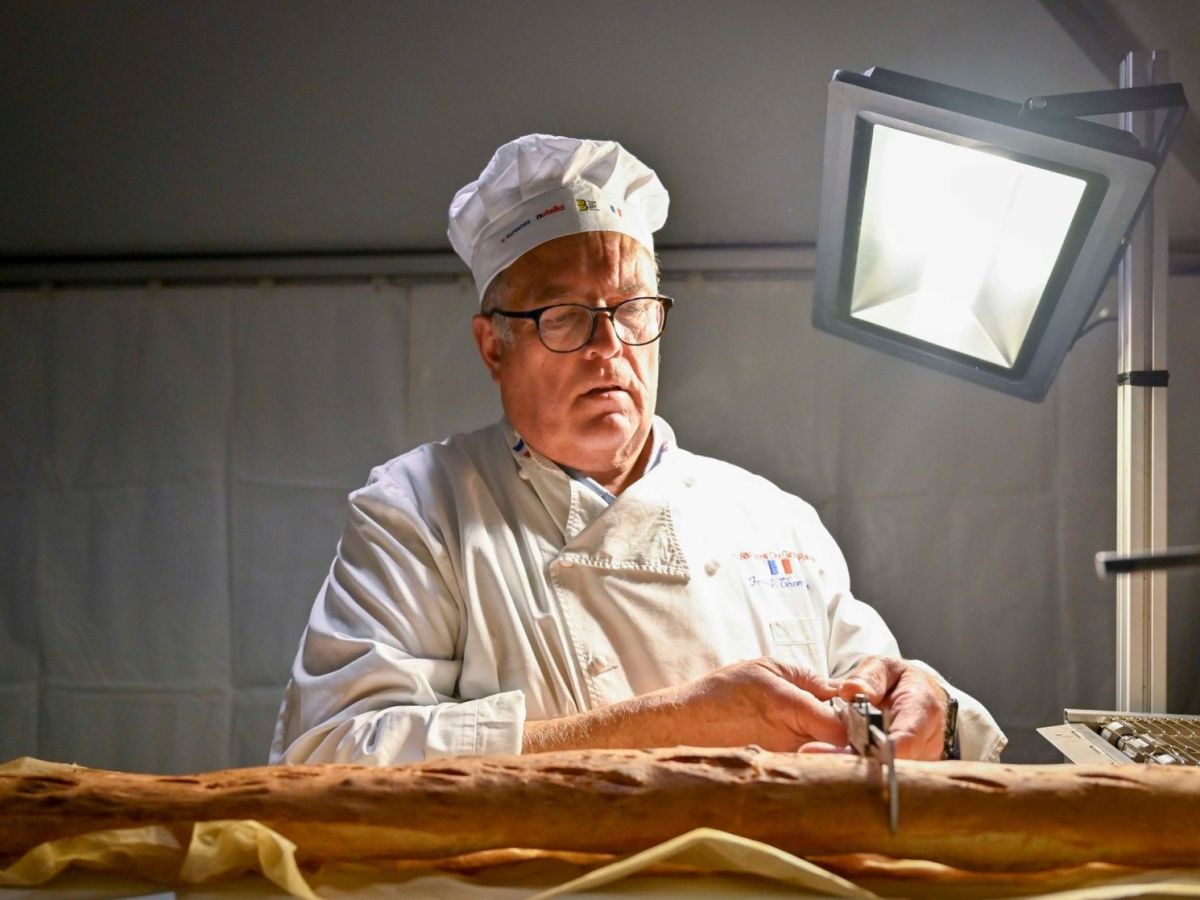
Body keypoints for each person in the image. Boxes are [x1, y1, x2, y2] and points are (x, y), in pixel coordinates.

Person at [270, 134, 1006, 766]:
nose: (609, 345)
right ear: (493, 345)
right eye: (565, 315)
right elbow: (331, 754)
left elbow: (880, 697)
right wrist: (668, 727)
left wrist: (928, 709)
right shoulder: (422, 509)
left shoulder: (772, 519)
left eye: (631, 309)